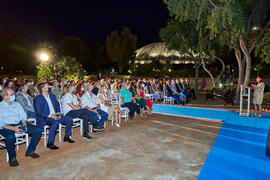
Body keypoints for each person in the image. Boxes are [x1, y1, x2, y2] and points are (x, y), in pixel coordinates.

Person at [0, 88, 42, 167]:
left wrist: (24, 125)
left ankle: (30, 151)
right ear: (5, 96)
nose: (14, 96)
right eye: (11, 95)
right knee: (10, 137)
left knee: (38, 130)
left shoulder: (16, 104)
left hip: (19, 123)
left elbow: (23, 116)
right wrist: (14, 128)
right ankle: (12, 157)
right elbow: (1, 123)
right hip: (6, 126)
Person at [34, 82, 75, 150]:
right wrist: (50, 115)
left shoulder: (52, 96)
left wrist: (58, 112)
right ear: (43, 89)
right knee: (55, 122)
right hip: (45, 117)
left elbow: (57, 105)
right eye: (48, 87)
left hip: (56, 115)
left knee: (69, 119)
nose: (49, 87)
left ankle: (67, 136)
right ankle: (50, 143)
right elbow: (38, 112)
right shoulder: (38, 98)